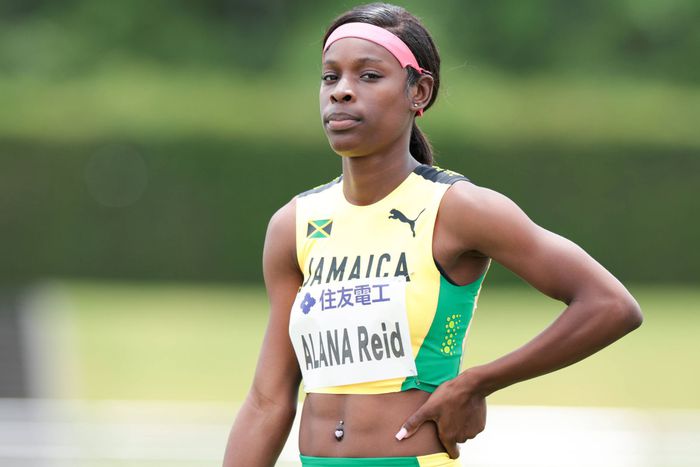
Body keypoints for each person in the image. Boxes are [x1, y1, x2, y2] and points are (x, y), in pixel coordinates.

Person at [222, 3, 643, 466]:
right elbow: (267, 402)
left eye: (368, 76)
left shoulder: (458, 208)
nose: (341, 91)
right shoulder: (294, 223)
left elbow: (610, 305)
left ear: (418, 91)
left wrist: (477, 383)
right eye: (330, 77)